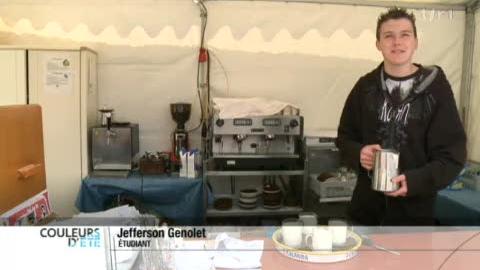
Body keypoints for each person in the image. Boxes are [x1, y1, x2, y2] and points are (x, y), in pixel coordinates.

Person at [336, 7, 466, 225]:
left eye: (405, 35)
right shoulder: (364, 87)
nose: (397, 42)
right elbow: (344, 138)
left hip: (415, 216)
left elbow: (453, 154)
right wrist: (359, 153)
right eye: (388, 36)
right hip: (365, 213)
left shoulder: (436, 88)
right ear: (378, 44)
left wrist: (415, 182)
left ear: (415, 42)